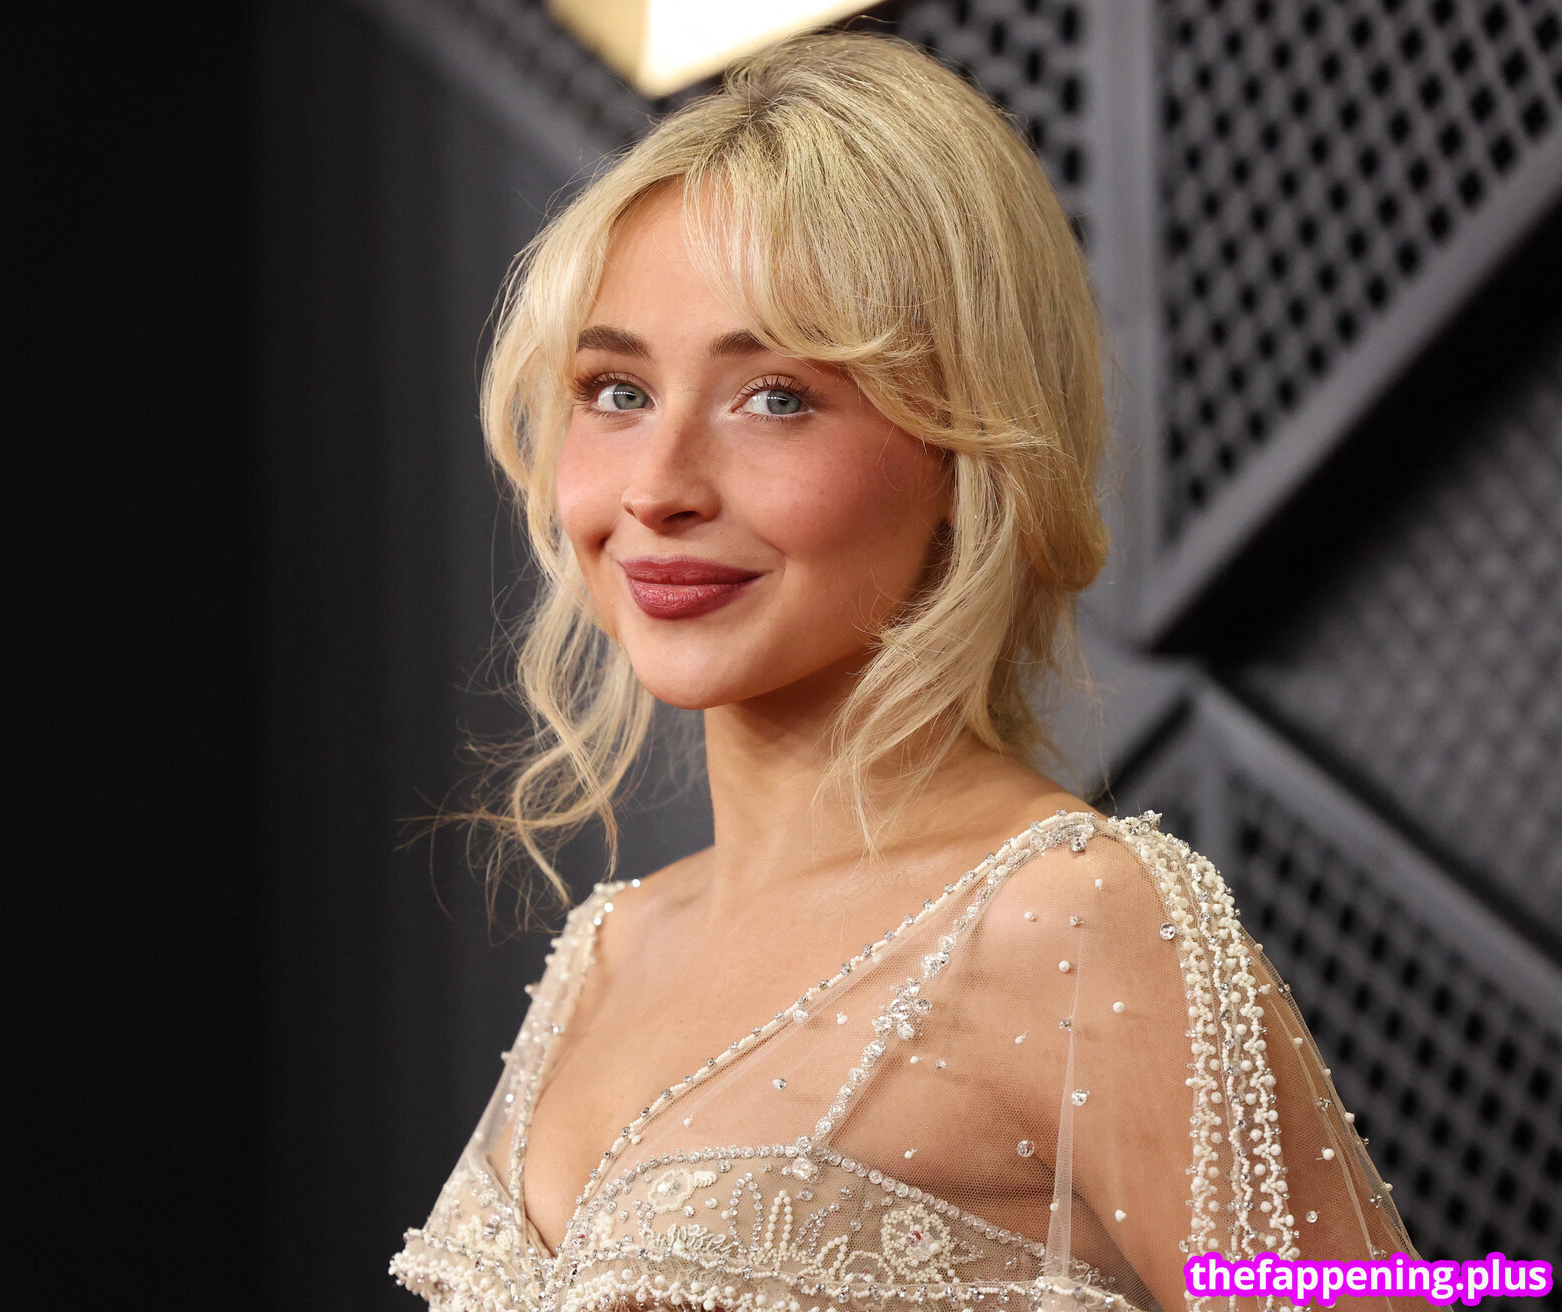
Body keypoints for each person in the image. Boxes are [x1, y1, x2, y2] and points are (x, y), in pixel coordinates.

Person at [390, 30, 1420, 1312]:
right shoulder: (606, 949)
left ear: (964, 448)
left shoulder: (1077, 921)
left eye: (775, 397)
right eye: (615, 389)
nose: (657, 488)